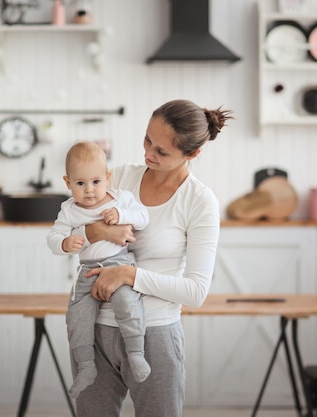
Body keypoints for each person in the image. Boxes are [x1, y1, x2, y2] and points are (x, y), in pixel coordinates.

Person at [70, 99, 231, 417]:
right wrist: (99, 233)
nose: (148, 154)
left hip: (156, 335)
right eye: (147, 140)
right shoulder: (117, 179)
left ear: (192, 154)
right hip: (96, 330)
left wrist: (128, 276)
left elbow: (196, 292)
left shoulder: (198, 201)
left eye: (161, 151)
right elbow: (72, 230)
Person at [47, 141, 151, 399]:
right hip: (87, 271)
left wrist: (121, 214)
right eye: (80, 184)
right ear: (67, 182)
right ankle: (86, 366)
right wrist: (64, 242)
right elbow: (53, 238)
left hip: (119, 264)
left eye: (95, 182)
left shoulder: (120, 200)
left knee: (127, 303)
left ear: (106, 178)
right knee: (76, 316)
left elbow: (143, 216)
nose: (90, 190)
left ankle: (136, 353)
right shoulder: (69, 211)